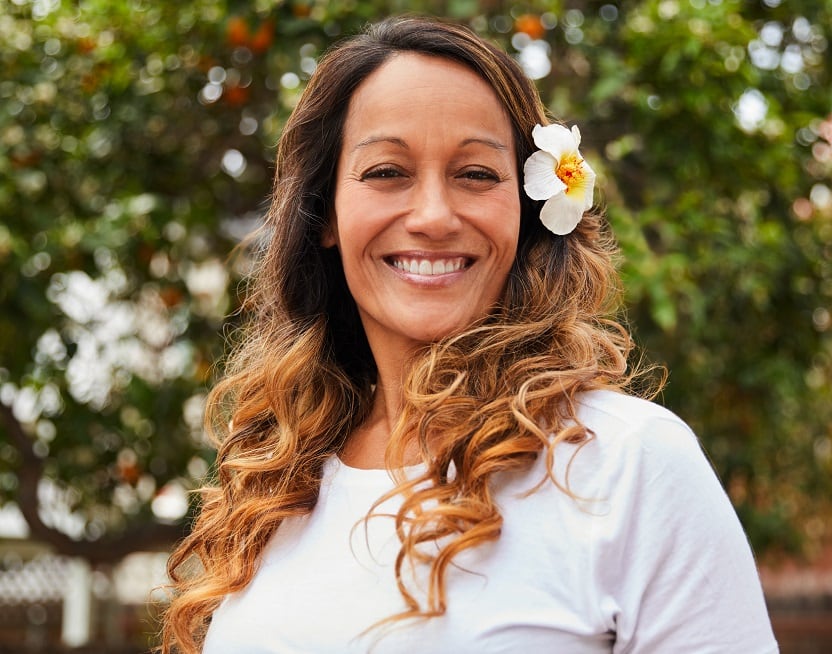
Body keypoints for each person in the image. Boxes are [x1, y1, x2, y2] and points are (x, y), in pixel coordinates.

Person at [161, 16, 778, 654]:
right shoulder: (276, 479)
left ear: (528, 208)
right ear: (326, 217)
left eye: (476, 175)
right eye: (386, 173)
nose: (432, 216)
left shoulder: (627, 463)